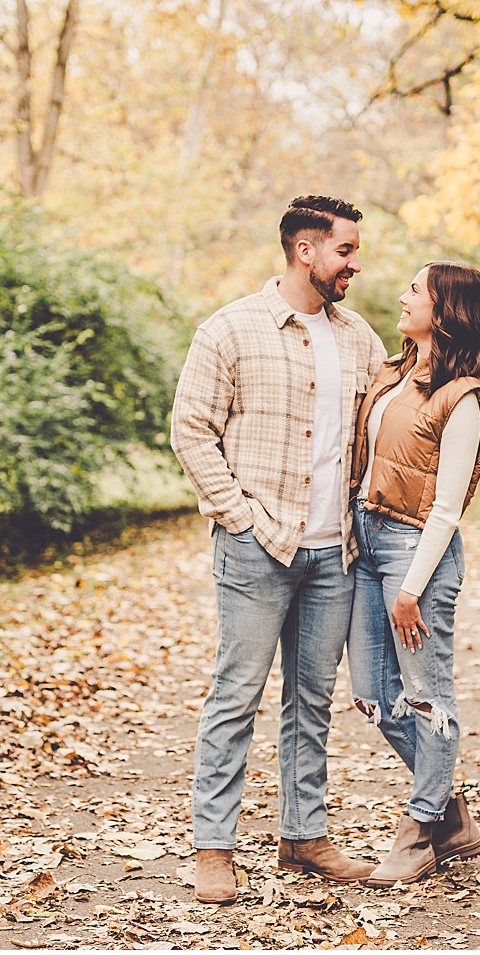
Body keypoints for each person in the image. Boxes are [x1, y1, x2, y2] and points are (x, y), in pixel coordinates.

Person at [169, 195, 387, 905]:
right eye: (346, 250)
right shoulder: (231, 328)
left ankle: (304, 834)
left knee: (312, 700)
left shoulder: (361, 338)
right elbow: (190, 429)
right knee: (235, 696)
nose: (356, 262)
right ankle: (213, 847)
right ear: (306, 250)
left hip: (335, 553)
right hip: (256, 548)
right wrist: (237, 516)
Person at [346, 262, 480, 886]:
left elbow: (447, 507)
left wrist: (411, 590)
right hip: (368, 542)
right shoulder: (394, 372)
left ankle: (419, 831)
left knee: (427, 695)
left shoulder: (462, 395)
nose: (402, 296)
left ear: (444, 310)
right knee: (373, 696)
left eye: (415, 290)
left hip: (418, 555)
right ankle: (451, 815)